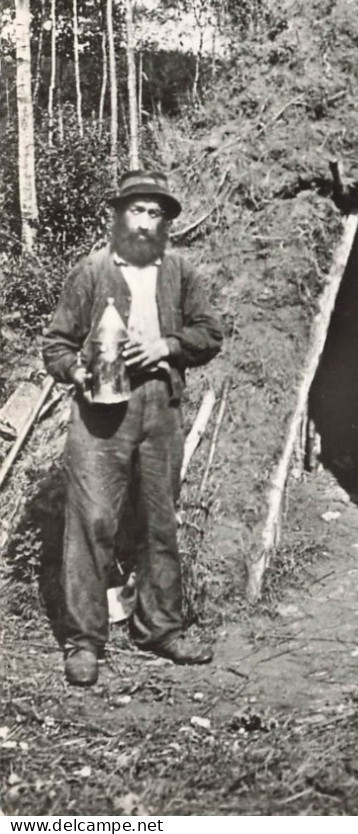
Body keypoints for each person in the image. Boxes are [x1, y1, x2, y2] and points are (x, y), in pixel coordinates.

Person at [42, 170, 224, 686]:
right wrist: (77, 371)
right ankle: (84, 642)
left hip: (159, 406)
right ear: (117, 215)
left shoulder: (182, 271)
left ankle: (160, 628)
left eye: (155, 214)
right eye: (136, 211)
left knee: (158, 522)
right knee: (92, 523)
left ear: (165, 223)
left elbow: (210, 333)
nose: (145, 223)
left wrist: (167, 345)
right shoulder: (91, 271)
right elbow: (56, 343)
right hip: (100, 413)